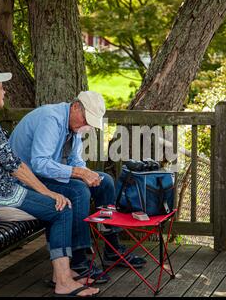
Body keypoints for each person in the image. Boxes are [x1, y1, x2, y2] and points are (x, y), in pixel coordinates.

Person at [0, 68, 99, 297]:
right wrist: (48, 192)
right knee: (61, 208)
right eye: (0, 88)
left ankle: (65, 274)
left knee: (61, 204)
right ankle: (62, 280)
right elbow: (15, 166)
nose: (4, 91)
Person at [9, 91, 147, 283]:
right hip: (28, 180)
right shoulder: (51, 119)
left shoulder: (73, 126)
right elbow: (40, 163)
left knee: (105, 181)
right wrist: (80, 174)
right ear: (75, 107)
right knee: (78, 191)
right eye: (86, 119)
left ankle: (112, 249)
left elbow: (75, 161)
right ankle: (79, 261)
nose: (86, 125)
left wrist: (87, 175)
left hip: (46, 176)